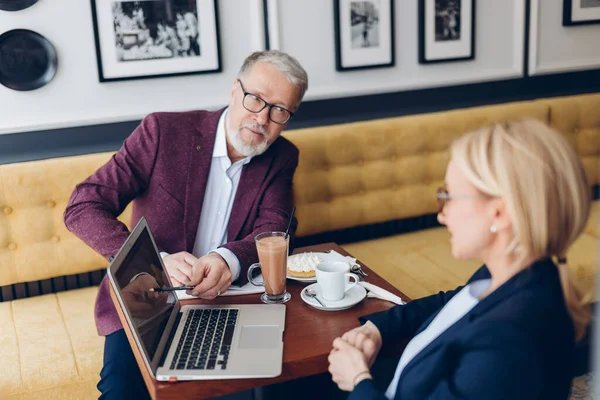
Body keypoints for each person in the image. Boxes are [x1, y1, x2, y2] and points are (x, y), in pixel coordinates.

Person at [64, 49, 308, 399]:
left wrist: (227, 259)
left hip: (229, 301)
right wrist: (155, 260)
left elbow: (276, 229)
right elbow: (83, 205)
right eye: (255, 99)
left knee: (255, 389)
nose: (263, 118)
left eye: (280, 110)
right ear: (234, 90)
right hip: (145, 298)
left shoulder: (282, 156)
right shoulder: (163, 131)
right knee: (121, 393)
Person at [328, 119, 592, 399]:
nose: (442, 214)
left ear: (499, 213)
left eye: (450, 197)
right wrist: (378, 328)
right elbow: (450, 303)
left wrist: (359, 380)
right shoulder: (511, 277)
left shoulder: (507, 342)